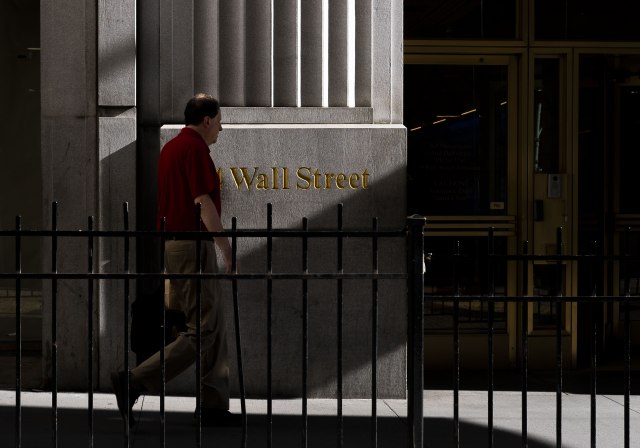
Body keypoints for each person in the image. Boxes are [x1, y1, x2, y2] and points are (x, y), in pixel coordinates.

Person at [111, 93, 239, 427]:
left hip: (177, 245)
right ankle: (135, 380)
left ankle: (213, 405)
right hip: (192, 246)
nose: (221, 129)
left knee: (212, 326)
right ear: (207, 120)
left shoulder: (171, 148)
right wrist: (225, 248)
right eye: (219, 121)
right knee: (204, 328)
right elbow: (202, 202)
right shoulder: (194, 149)